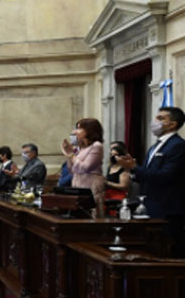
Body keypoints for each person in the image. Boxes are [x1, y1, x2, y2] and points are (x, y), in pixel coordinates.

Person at [117, 107, 185, 256]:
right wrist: (132, 170)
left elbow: (166, 176)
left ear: (173, 124)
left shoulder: (178, 145)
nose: (155, 122)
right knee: (150, 251)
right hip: (149, 204)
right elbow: (147, 175)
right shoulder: (155, 146)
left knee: (168, 252)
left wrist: (135, 167)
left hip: (167, 208)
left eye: (161, 118)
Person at [62, 118, 105, 217]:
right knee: (77, 214)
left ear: (90, 130)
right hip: (78, 183)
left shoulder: (96, 146)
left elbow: (85, 167)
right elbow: (72, 170)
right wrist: (69, 154)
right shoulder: (81, 147)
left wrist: (71, 155)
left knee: (91, 215)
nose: (75, 132)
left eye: (79, 128)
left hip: (91, 184)